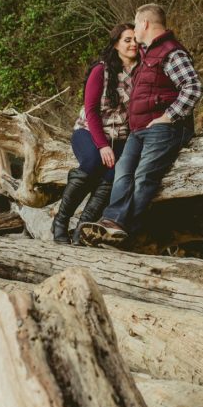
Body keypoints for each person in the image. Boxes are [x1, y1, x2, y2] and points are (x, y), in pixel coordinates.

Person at [80, 3, 203, 248]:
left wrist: (169, 116)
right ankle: (112, 224)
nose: (134, 30)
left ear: (145, 24)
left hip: (164, 129)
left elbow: (193, 87)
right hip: (140, 130)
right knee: (123, 173)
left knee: (144, 177)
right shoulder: (148, 54)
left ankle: (123, 230)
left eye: (136, 24)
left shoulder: (171, 52)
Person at [51, 23, 138, 244]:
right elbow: (90, 110)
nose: (133, 44)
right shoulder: (102, 70)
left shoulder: (142, 72)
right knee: (92, 162)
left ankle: (83, 228)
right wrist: (102, 145)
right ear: (116, 43)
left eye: (135, 39)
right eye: (127, 39)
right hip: (90, 131)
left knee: (113, 175)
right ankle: (61, 221)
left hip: (121, 136)